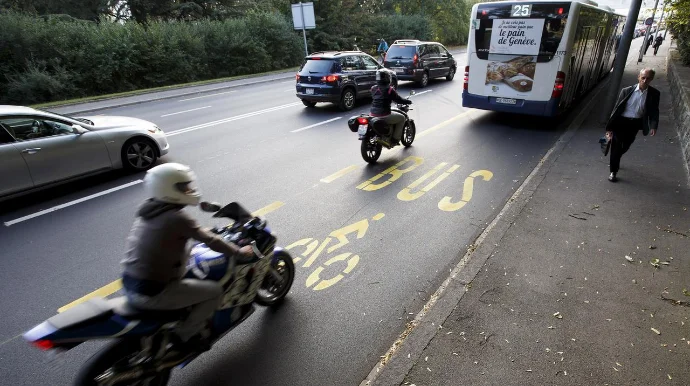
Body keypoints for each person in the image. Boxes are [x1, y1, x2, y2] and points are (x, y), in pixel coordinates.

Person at [121, 163, 255, 352]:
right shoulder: (177, 217)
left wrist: (199, 232)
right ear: (168, 189)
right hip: (154, 292)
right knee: (214, 292)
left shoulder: (149, 210)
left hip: (131, 283)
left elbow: (171, 237)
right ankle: (185, 336)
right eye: (184, 187)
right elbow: (210, 241)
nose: (189, 190)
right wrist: (240, 252)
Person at [604, 68, 660, 182]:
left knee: (626, 145)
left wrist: (653, 126)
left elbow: (654, 111)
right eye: (643, 77)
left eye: (648, 78)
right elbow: (616, 109)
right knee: (616, 146)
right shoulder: (627, 90)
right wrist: (609, 128)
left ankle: (617, 156)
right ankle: (613, 171)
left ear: (651, 79)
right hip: (621, 122)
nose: (645, 80)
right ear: (638, 77)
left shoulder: (654, 94)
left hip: (635, 123)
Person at [370, 69, 412, 144]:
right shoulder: (389, 89)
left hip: (372, 114)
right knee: (402, 118)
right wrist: (407, 101)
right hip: (384, 115)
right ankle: (395, 139)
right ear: (387, 78)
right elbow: (398, 100)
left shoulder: (373, 88)